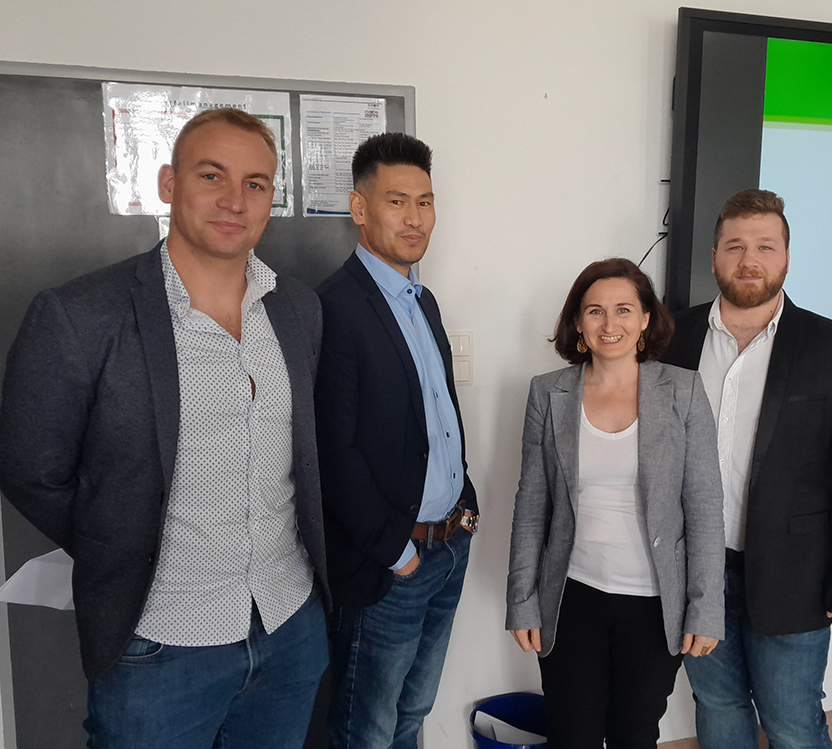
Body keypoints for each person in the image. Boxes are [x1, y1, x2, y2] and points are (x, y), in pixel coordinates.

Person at [0, 108, 330, 748]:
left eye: (256, 183)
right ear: (169, 184)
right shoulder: (81, 315)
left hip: (289, 625)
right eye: (212, 175)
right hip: (160, 642)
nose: (234, 200)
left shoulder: (298, 309)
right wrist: (119, 539)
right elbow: (29, 469)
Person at [661, 189, 832, 749]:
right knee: (718, 706)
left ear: (786, 256)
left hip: (797, 577)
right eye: (735, 246)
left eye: (765, 246)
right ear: (714, 256)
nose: (750, 260)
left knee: (792, 723)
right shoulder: (671, 338)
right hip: (695, 573)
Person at [505, 258, 725, 749]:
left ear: (645, 318)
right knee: (572, 735)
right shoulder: (548, 392)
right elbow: (531, 506)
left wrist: (706, 608)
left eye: (624, 309)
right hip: (571, 596)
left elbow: (705, 507)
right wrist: (521, 601)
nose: (610, 324)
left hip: (653, 603)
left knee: (634, 734)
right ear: (578, 322)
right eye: (595, 311)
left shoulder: (684, 391)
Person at [315, 132, 478, 749]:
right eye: (397, 201)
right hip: (390, 566)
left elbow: (439, 414)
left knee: (413, 714)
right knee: (367, 730)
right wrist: (394, 551)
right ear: (360, 209)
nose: (415, 218)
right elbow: (332, 451)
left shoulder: (422, 300)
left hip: (447, 548)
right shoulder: (335, 307)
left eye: (425, 202)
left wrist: (465, 506)